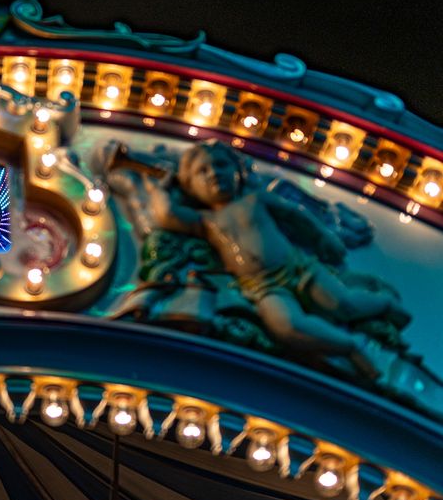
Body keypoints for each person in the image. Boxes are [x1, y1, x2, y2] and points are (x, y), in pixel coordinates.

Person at [143, 140, 408, 378]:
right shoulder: (205, 221)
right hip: (262, 287)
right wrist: (157, 188)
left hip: (298, 269)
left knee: (342, 304)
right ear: (189, 186)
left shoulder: (255, 200)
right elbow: (167, 215)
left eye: (221, 165)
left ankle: (384, 304)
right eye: (203, 171)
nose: (214, 173)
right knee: (287, 327)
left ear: (238, 172)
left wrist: (323, 238)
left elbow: (294, 215)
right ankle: (349, 346)